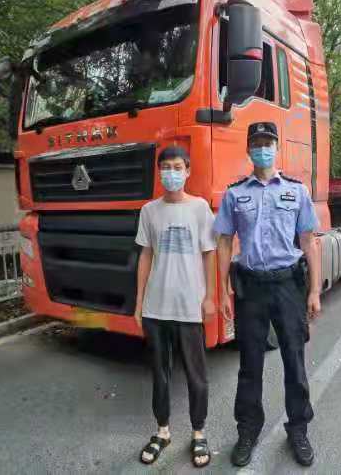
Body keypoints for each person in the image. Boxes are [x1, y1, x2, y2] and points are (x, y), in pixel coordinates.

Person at [213, 122, 322, 467]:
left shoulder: (296, 191)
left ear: (277, 148)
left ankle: (298, 429)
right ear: (248, 150)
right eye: (257, 143)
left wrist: (314, 290)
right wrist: (222, 290)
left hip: (288, 286)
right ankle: (248, 430)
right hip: (251, 288)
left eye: (268, 143)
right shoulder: (234, 194)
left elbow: (309, 241)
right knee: (250, 364)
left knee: (294, 360)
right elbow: (224, 242)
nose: (262, 149)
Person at [134, 145, 217, 468]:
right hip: (156, 308)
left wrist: (210, 297)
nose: (171, 173)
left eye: (177, 167)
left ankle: (199, 433)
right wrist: (139, 303)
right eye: (166, 167)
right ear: (159, 172)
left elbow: (209, 253)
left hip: (189, 307)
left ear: (188, 171)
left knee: (197, 375)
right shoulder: (149, 211)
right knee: (160, 374)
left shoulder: (199, 208)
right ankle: (163, 431)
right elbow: (145, 256)